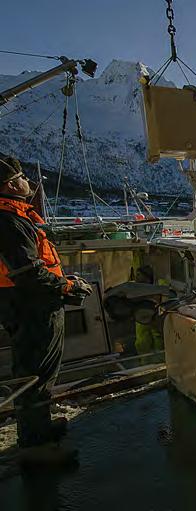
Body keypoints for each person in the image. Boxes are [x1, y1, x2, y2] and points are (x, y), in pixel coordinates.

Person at [0, 155, 92, 467]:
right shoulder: (8, 220)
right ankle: (35, 447)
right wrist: (66, 287)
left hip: (30, 302)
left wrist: (62, 283)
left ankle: (39, 428)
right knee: (34, 374)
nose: (28, 181)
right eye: (22, 176)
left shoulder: (15, 216)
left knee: (39, 371)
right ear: (12, 184)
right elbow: (28, 273)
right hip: (31, 306)